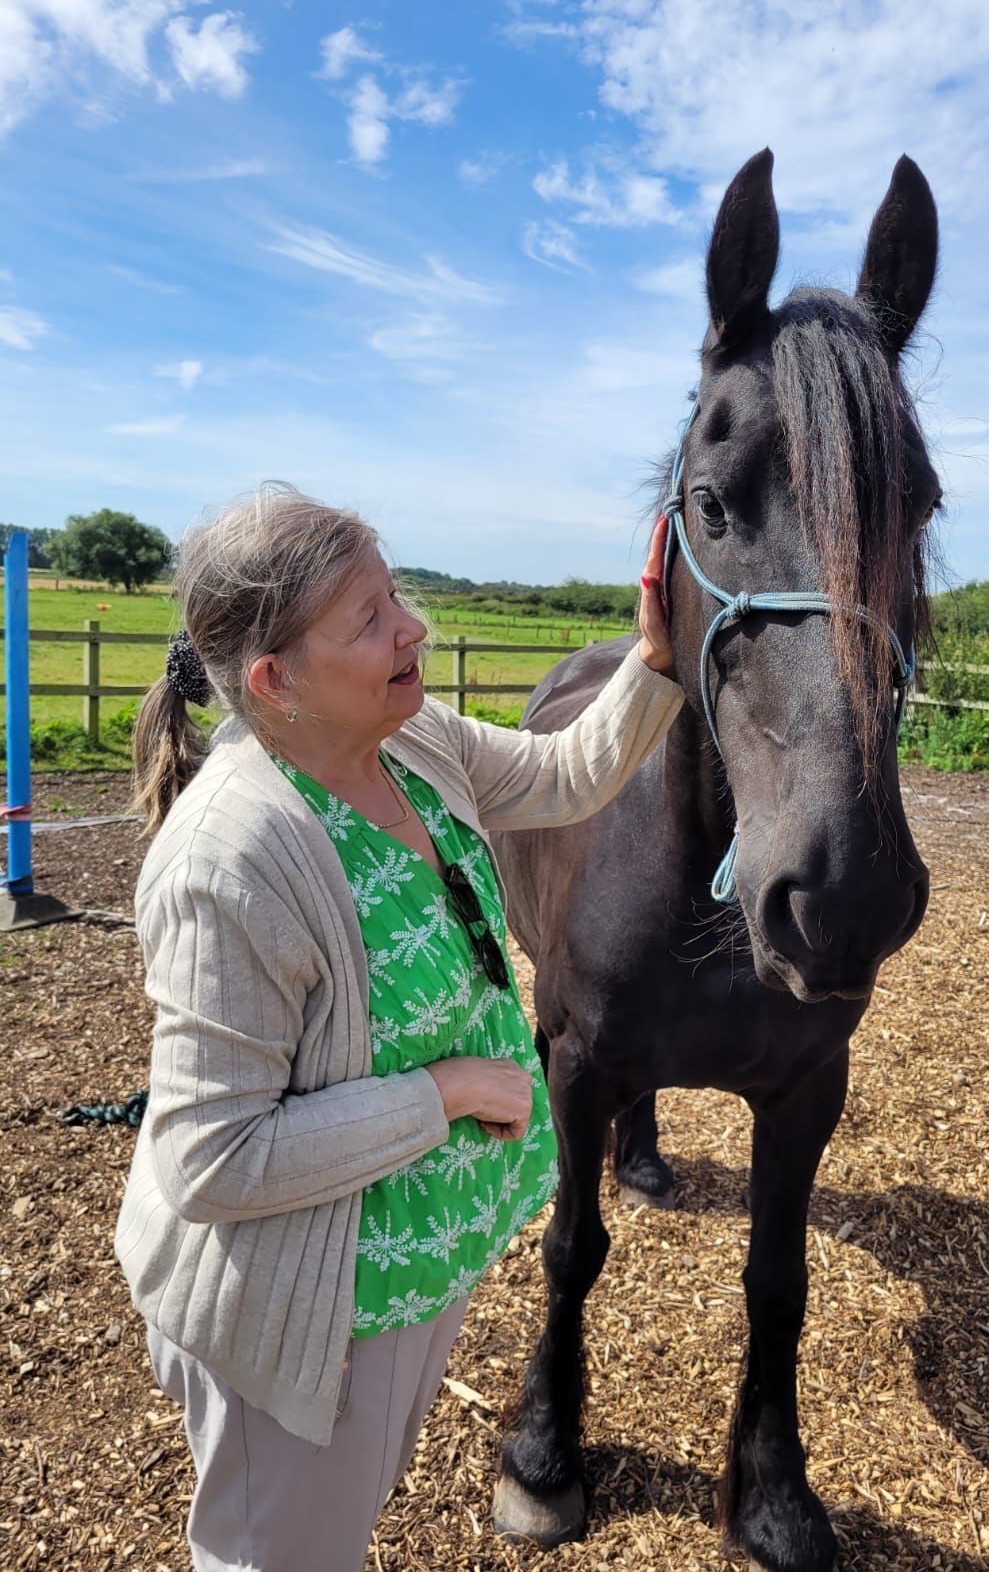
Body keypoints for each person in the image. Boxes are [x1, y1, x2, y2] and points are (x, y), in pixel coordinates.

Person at [116, 482, 681, 1572]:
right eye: (368, 618)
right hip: (299, 1314)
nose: (410, 628)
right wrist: (453, 1091)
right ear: (276, 682)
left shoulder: (405, 737)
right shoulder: (228, 863)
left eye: (396, 596)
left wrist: (653, 661)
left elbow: (564, 774)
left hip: (400, 1276)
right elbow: (210, 1156)